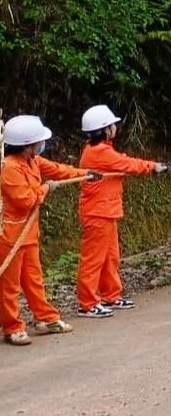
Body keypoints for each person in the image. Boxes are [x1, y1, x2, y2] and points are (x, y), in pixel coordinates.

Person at [0, 115, 100, 345]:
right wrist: (46, 189)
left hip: (29, 233)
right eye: (38, 142)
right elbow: (25, 200)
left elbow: (57, 170)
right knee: (10, 286)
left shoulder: (33, 161)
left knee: (34, 279)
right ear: (28, 144)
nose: (41, 145)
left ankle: (45, 318)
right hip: (11, 236)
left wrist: (85, 174)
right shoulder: (9, 169)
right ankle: (12, 327)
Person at [76, 105, 168, 318]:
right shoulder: (99, 153)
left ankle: (111, 295)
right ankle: (87, 303)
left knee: (110, 258)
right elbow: (126, 164)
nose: (115, 128)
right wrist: (152, 166)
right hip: (98, 213)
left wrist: (151, 166)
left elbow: (123, 162)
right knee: (94, 259)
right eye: (112, 125)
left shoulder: (101, 150)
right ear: (105, 129)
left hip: (106, 211)